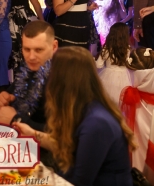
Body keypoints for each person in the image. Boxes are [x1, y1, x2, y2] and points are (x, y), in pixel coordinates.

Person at [15, 47, 134, 186]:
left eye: (51, 73)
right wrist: (32, 134)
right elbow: (69, 147)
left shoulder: (97, 123)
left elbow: (78, 182)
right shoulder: (85, 107)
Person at [0, 20, 57, 129]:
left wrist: (16, 120)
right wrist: (4, 98)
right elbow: (11, 95)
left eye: (39, 50)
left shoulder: (62, 77)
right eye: (27, 49)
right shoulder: (26, 68)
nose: (31, 57)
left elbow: (62, 133)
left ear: (54, 46)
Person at [3, 0, 43, 71]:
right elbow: (35, 3)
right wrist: (41, 20)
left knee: (11, 49)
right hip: (24, 17)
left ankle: (11, 74)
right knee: (26, 45)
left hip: (7, 18)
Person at [97, 23, 133, 104]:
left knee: (107, 101)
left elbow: (98, 65)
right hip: (125, 76)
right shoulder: (127, 49)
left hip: (107, 77)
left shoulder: (106, 48)